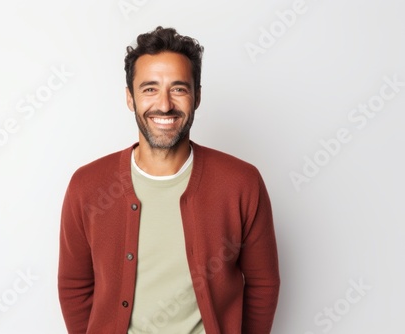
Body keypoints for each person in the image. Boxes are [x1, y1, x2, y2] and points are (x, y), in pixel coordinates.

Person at [58, 26, 280, 334]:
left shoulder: (241, 183)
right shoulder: (87, 186)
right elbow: (74, 285)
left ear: (197, 97)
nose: (164, 105)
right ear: (130, 98)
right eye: (149, 89)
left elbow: (263, 283)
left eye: (178, 89)